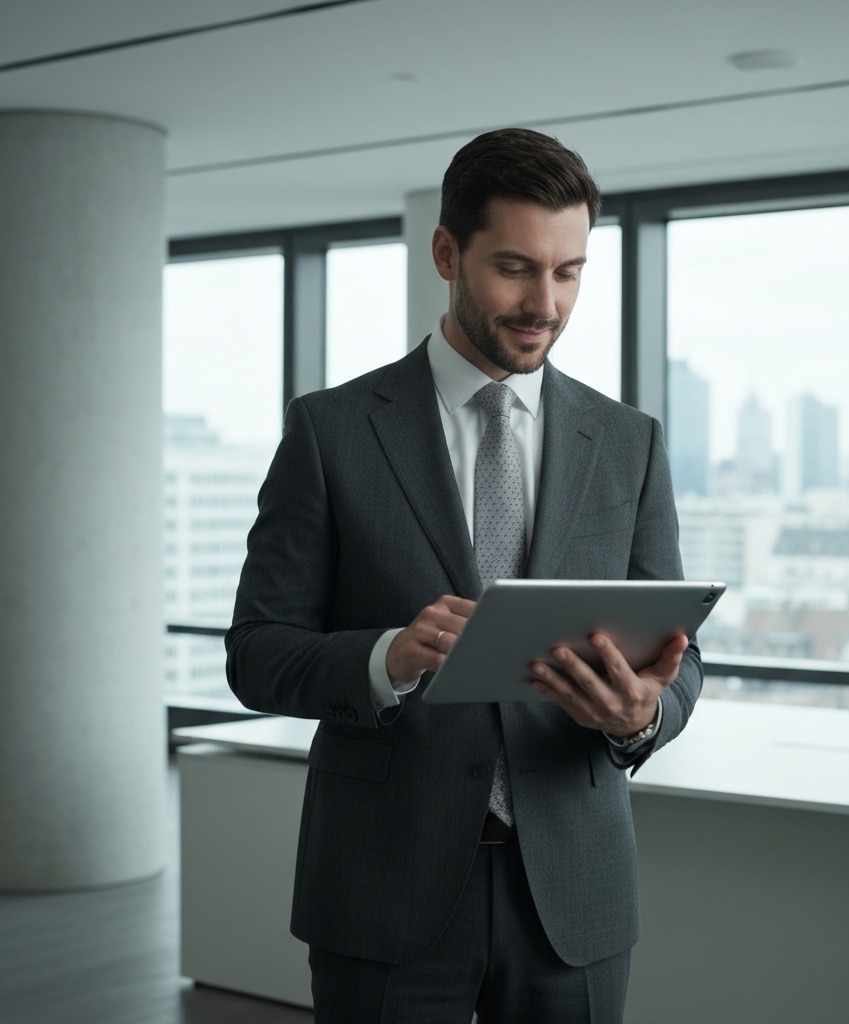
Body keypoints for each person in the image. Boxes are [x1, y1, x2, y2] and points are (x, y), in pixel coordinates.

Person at [226, 128, 702, 1024]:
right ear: (447, 252)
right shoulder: (331, 433)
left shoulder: (627, 443)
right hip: (383, 883)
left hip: (574, 888)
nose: (545, 303)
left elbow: (681, 657)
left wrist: (643, 715)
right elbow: (256, 653)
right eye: (516, 268)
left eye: (569, 272)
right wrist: (385, 661)